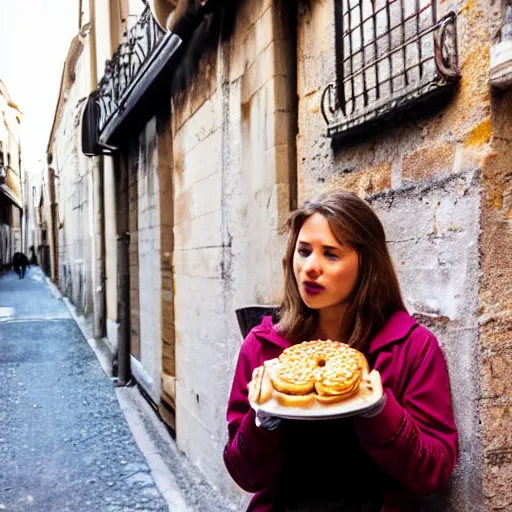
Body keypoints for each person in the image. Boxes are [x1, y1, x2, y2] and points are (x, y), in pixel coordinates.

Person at [223, 190, 458, 512]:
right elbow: (245, 475)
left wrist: (379, 409)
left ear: (367, 265)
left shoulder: (412, 347)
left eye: (330, 255)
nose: (310, 268)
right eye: (303, 251)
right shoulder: (264, 347)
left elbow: (433, 473)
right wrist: (262, 420)